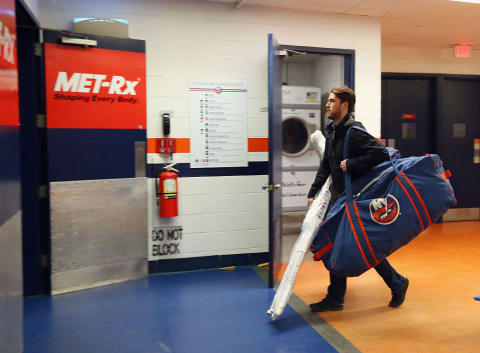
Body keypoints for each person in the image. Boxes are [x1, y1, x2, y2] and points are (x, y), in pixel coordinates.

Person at [307, 86, 409, 312]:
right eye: (328, 101)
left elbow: (380, 153)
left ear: (344, 105)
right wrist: (313, 192)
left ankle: (396, 282)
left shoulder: (354, 132)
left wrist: (352, 164)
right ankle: (340, 296)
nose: (327, 104)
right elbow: (326, 165)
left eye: (332, 101)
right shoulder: (332, 131)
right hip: (339, 199)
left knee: (359, 244)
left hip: (354, 199)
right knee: (344, 245)